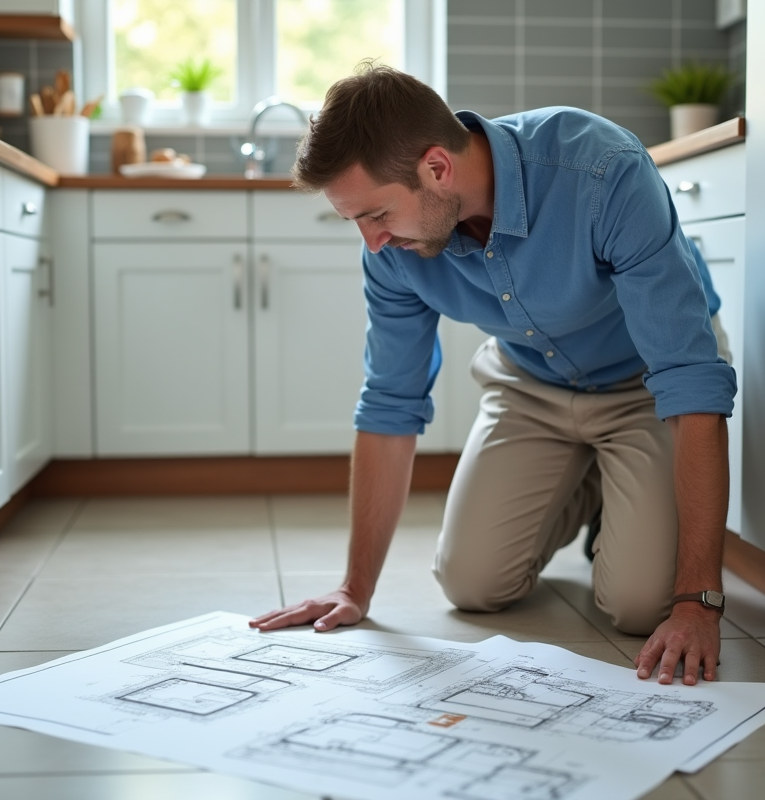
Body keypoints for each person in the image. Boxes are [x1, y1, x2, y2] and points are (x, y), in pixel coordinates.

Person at [249, 63, 736, 687]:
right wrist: (354, 588)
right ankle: (594, 486)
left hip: (643, 381)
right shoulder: (396, 252)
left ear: (436, 168)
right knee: (471, 585)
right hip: (530, 379)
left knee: (641, 606)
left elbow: (689, 377)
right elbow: (390, 402)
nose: (371, 243)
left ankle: (621, 490)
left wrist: (699, 601)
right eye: (356, 224)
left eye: (375, 215)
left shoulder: (600, 170)